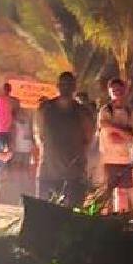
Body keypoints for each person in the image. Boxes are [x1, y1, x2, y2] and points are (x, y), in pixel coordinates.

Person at [34, 71, 94, 206]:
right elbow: (39, 135)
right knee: (44, 212)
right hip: (49, 170)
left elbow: (88, 139)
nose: (66, 87)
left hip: (74, 172)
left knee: (71, 214)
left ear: (75, 87)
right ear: (58, 86)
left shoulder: (82, 112)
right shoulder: (45, 109)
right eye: (63, 84)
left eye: (69, 84)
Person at [96, 76, 133, 213]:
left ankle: (121, 217)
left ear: (124, 91)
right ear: (109, 92)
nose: (116, 92)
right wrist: (122, 131)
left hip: (124, 159)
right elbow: (110, 135)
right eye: (113, 90)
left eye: (119, 89)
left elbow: (131, 135)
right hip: (108, 159)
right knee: (107, 192)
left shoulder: (129, 112)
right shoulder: (105, 110)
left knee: (123, 192)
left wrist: (114, 127)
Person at [0, 81, 20, 151]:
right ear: (10, 90)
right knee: (9, 150)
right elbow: (16, 114)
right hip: (8, 129)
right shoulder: (13, 101)